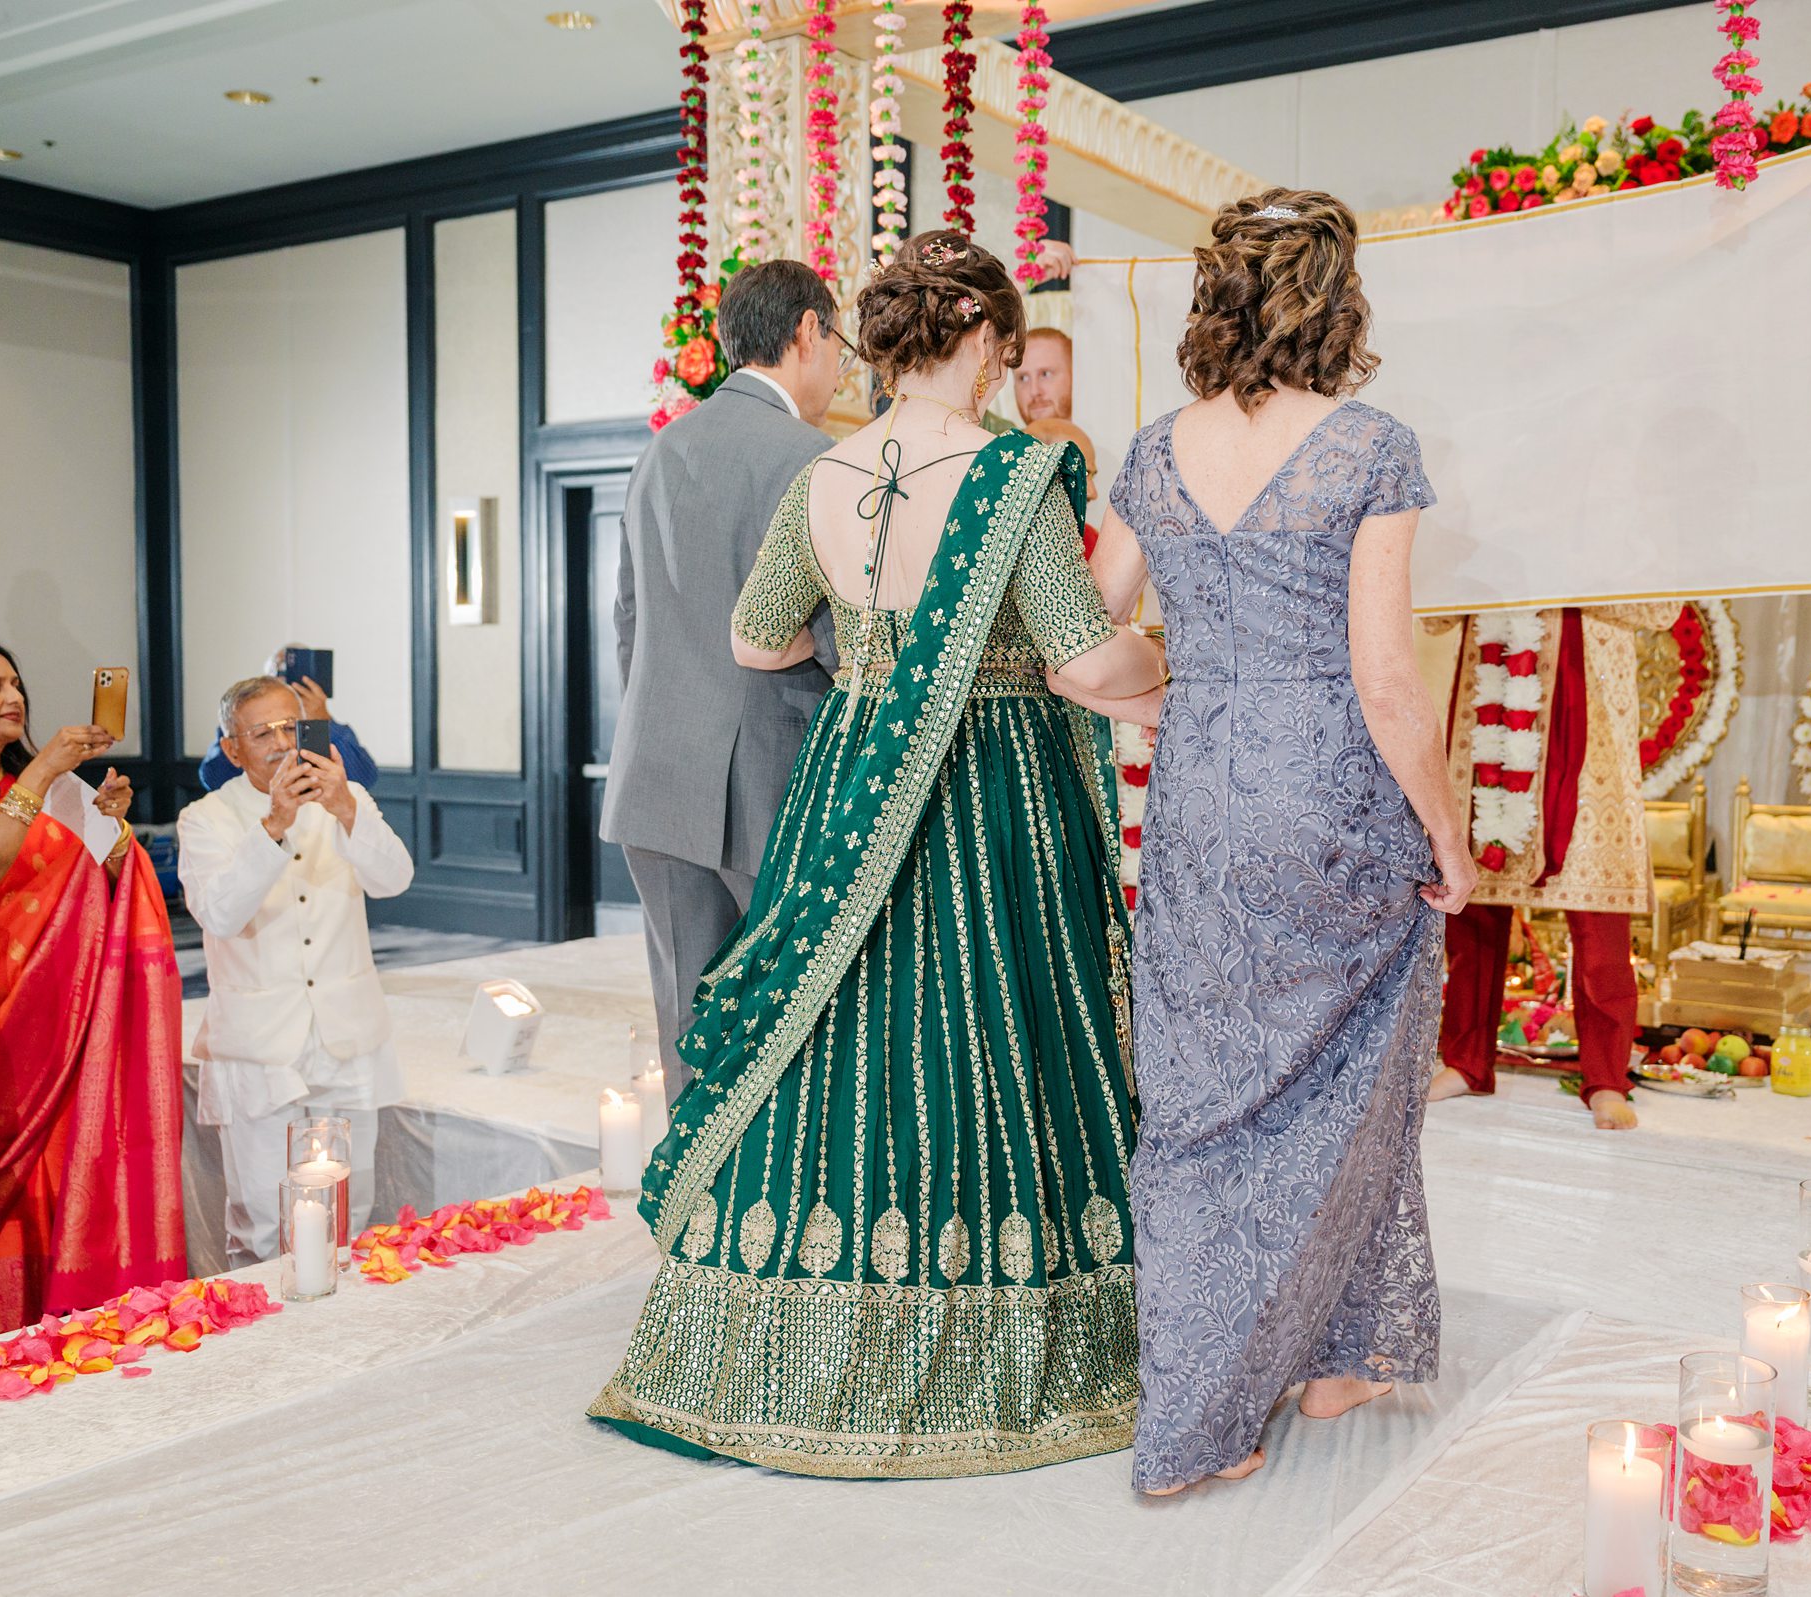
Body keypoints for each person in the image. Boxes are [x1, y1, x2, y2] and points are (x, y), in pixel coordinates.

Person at [588, 231, 1170, 1478]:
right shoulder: (1016, 475)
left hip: (849, 785)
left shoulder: (826, 475)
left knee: (853, 1044)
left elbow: (754, 638)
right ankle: (994, 1331)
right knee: (990, 1040)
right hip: (989, 792)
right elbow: (1080, 657)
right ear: (981, 340)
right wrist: (1173, 675)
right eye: (1009, 349)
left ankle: (793, 1321)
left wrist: (869, 673)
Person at [1077, 189, 1476, 1495]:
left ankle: (1318, 1355)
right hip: (1333, 790)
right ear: (1337, 299)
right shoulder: (1370, 447)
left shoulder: (1151, 449)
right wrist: (1450, 831)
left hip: (1200, 792)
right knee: (1353, 1071)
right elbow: (1389, 681)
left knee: (1200, 1096)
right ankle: (1229, 1401)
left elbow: (1089, 645)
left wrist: (1166, 695)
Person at [0, 639, 185, 1335]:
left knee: (60, 1176)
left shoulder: (49, 787)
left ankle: (68, 1327)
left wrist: (107, 821)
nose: (12, 695)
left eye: (16, 681)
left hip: (63, 1025)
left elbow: (107, 886)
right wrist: (49, 768)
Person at [602, 258, 846, 1097]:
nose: (841, 364)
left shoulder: (660, 451)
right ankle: (780, 1220)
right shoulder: (817, 458)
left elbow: (630, 621)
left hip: (655, 773)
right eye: (839, 341)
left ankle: (694, 1217)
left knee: (689, 1024)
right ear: (808, 331)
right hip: (775, 773)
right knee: (796, 1020)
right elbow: (835, 635)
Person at [178, 675, 413, 1263]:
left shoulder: (346, 798)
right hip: (260, 1050)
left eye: (294, 725)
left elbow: (395, 879)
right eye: (263, 733)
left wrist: (347, 808)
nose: (283, 742)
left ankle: (349, 1345)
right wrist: (275, 823)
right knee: (262, 1222)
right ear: (232, 749)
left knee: (348, 1216)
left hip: (347, 1038)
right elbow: (220, 914)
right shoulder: (206, 818)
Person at [1425, 602, 1680, 1130]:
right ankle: (1466, 1062)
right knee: (1473, 914)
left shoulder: (1615, 520)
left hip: (1586, 715)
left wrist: (1569, 573)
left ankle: (1607, 1078)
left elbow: (1661, 608)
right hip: (1487, 702)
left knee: (1597, 916)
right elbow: (1434, 613)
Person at [196, 648, 379, 791]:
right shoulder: (243, 723)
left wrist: (322, 722)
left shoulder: (325, 726)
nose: (282, 743)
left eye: (290, 728)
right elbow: (213, 779)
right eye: (279, 673)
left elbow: (364, 779)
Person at [1015, 326, 1074, 424]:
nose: (1034, 391)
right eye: (1023, 378)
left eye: (1045, 374)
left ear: (1074, 376)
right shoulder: (996, 438)